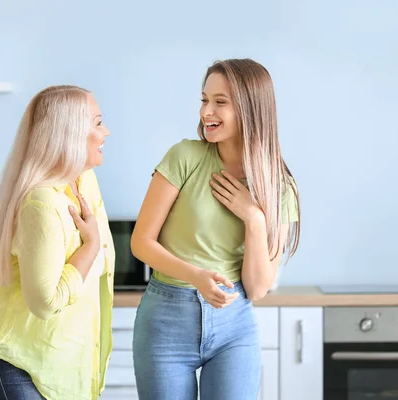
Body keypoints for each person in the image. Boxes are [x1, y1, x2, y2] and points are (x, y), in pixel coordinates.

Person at [130, 58, 301, 400]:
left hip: (234, 325)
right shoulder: (184, 157)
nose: (207, 111)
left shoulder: (277, 186)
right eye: (204, 100)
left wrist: (253, 218)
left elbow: (257, 288)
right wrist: (195, 275)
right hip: (166, 318)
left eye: (220, 102)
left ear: (251, 109)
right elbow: (141, 242)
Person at [0, 85, 115, 400]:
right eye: (98, 123)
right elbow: (44, 302)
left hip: (51, 361)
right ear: (71, 133)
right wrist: (90, 246)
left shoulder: (84, 182)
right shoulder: (42, 203)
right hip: (14, 360)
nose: (106, 132)